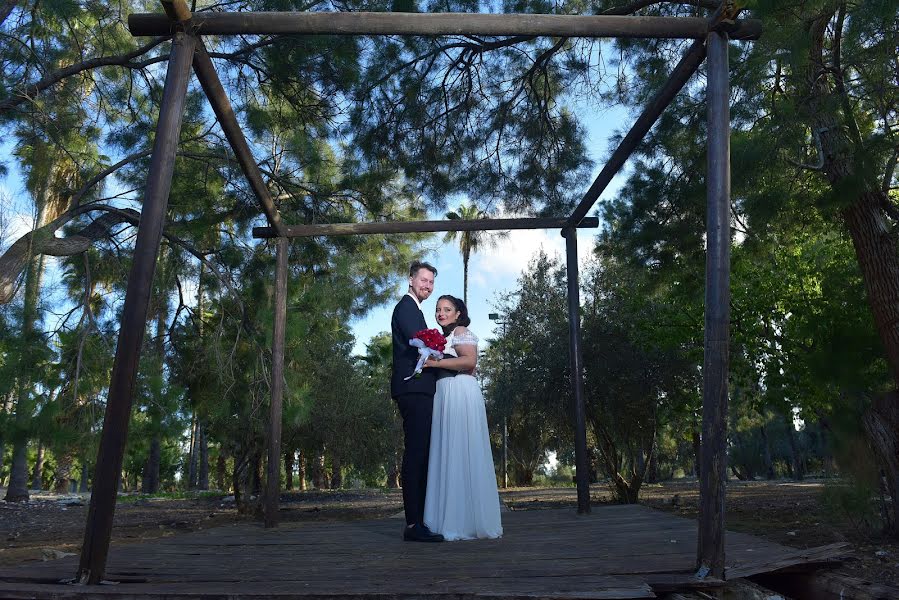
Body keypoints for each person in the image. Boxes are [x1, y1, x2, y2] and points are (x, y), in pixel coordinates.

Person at [422, 295, 503, 541]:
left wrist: (434, 363)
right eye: (438, 309)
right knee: (449, 452)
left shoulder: (461, 331)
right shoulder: (444, 337)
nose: (441, 313)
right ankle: (451, 517)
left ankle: (465, 521)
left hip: (460, 392)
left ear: (458, 313)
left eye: (447, 309)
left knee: (462, 450)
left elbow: (470, 361)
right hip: (446, 394)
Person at [391, 261, 444, 542]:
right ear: (410, 280)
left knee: (420, 452)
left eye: (431, 282)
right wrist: (453, 362)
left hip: (419, 390)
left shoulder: (416, 310)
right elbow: (420, 346)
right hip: (413, 389)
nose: (428, 286)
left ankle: (419, 520)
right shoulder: (406, 308)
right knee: (416, 453)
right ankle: (413, 525)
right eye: (423, 280)